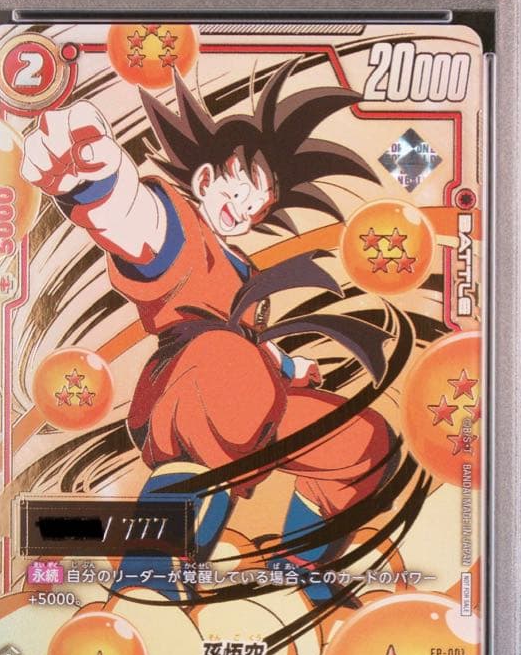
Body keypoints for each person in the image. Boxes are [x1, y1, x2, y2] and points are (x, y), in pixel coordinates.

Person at [21, 58, 394, 602]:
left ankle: (298, 563)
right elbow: (135, 223)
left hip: (254, 396)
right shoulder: (176, 222)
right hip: (188, 386)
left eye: (255, 208)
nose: (242, 213)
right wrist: (99, 183)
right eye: (238, 193)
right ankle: (150, 574)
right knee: (226, 363)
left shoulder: (242, 266)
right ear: (204, 178)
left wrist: (291, 367)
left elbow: (252, 343)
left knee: (361, 438)